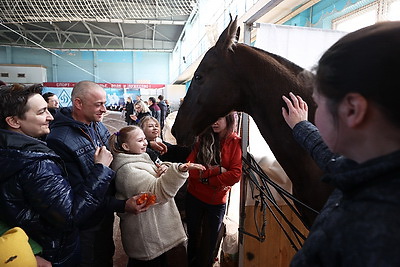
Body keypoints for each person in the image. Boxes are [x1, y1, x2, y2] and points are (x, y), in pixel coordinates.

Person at [281, 22, 400, 266]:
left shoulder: (365, 232)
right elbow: (333, 161)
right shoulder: (373, 171)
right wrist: (301, 125)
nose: (314, 112)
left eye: (317, 102)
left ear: (352, 110)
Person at [0, 84, 115, 266]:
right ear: (14, 121)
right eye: (41, 112)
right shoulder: (36, 163)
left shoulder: (19, 152)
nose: (50, 117)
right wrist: (101, 169)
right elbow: (70, 215)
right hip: (56, 250)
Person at [46, 81, 143, 267]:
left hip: (104, 215)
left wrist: (146, 146)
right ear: (78, 103)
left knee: (106, 256)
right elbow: (75, 195)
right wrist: (121, 205)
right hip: (86, 225)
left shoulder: (97, 126)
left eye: (104, 103)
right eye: (98, 104)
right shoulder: (59, 140)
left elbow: (116, 148)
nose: (104, 109)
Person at [108, 125, 205, 267]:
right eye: (140, 140)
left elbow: (153, 173)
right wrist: (179, 170)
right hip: (149, 243)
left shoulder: (138, 158)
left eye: (145, 139)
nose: (146, 143)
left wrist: (165, 169)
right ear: (126, 146)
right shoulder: (128, 171)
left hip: (152, 238)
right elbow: (157, 194)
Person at [185, 112, 242, 267]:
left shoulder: (235, 141)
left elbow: (235, 175)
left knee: (211, 240)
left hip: (216, 200)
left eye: (218, 118)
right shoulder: (203, 138)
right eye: (211, 118)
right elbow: (189, 168)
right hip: (194, 196)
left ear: (228, 119)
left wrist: (205, 178)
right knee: (193, 236)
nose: (214, 122)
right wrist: (217, 171)